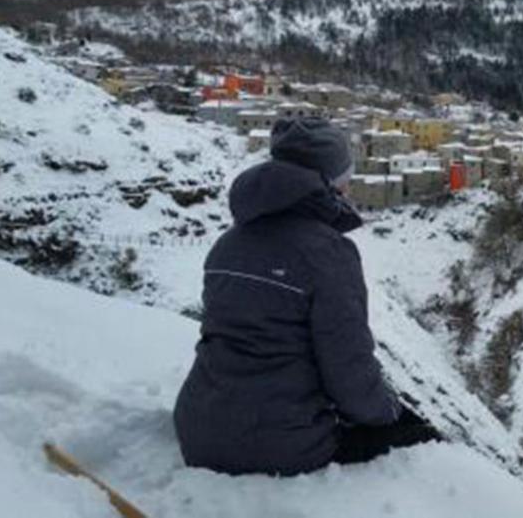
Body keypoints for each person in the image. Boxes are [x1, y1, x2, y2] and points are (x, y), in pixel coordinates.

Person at [174, 117, 440, 476]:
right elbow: (349, 370)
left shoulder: (228, 243)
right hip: (277, 444)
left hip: (196, 426)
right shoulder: (328, 254)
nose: (349, 188)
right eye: (346, 179)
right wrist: (392, 413)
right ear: (328, 182)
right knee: (421, 440)